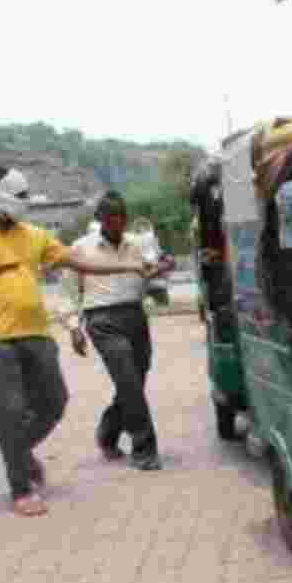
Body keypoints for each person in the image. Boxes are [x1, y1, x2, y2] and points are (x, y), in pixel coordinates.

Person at [0, 167, 155, 515]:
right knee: (8, 413)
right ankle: (21, 487)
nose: (25, 203)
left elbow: (78, 260)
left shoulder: (32, 235)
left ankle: (18, 452)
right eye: (21, 197)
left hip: (36, 332)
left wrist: (128, 266)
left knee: (54, 402)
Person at [63, 192, 174, 470]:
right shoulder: (80, 248)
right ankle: (145, 449)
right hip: (102, 320)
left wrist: (163, 268)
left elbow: (150, 274)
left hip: (134, 315)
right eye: (112, 218)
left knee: (135, 380)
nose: (118, 222)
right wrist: (74, 328)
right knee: (128, 379)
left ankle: (108, 432)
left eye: (122, 217)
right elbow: (67, 293)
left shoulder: (137, 244)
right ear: (99, 219)